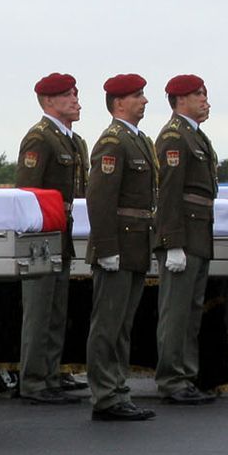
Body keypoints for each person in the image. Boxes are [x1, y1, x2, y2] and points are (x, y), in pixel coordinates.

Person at [85, 74, 157, 422]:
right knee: (107, 324)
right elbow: (100, 200)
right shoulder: (113, 142)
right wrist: (106, 247)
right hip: (119, 243)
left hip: (136, 242)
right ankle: (105, 395)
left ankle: (117, 389)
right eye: (137, 96)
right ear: (118, 104)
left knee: (122, 324)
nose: (144, 101)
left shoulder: (138, 140)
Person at [15, 71, 87, 405]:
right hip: (43, 233)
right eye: (67, 95)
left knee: (58, 308)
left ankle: (51, 371)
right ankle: (33, 380)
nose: (75, 99)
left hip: (64, 227)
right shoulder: (40, 138)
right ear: (48, 101)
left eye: (74, 93)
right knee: (40, 310)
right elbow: (29, 191)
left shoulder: (70, 139)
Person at [153, 74, 219, 406]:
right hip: (184, 233)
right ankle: (171, 378)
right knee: (175, 311)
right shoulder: (175, 137)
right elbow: (168, 194)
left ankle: (186, 374)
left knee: (191, 310)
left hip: (198, 231)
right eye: (198, 95)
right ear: (180, 101)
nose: (205, 100)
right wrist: (172, 241)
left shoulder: (194, 136)